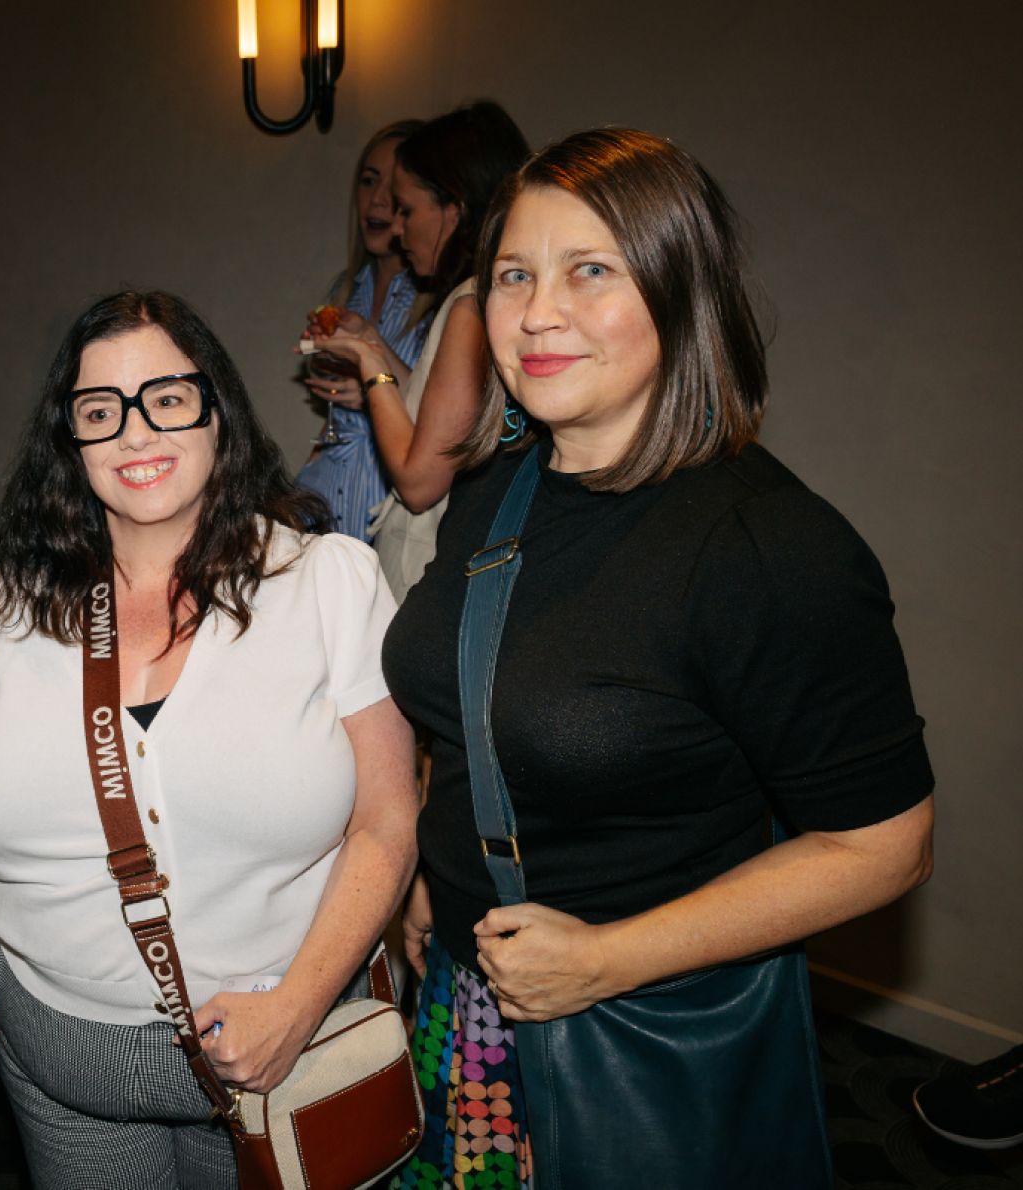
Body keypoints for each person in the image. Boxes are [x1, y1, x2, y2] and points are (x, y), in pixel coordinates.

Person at [381, 128, 936, 1188]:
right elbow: (473, 701)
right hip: (471, 999)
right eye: (513, 275)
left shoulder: (770, 547)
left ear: (683, 292)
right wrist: (434, 867)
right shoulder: (498, 488)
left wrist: (604, 958)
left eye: (591, 270)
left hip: (639, 1017)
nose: (539, 311)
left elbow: (885, 845)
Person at [0, 291, 418, 1187]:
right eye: (99, 411)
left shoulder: (325, 585)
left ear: (216, 410)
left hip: (284, 1062)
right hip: (59, 1069)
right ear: (69, 443)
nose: (134, 432)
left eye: (167, 397)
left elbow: (387, 821)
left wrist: (300, 1006)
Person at [306, 101, 528, 599]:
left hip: (423, 570)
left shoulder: (469, 306)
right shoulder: (495, 295)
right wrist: (372, 343)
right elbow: (442, 419)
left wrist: (369, 367)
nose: (399, 228)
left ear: (455, 206)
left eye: (408, 209)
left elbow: (418, 480)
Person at [293, 119, 428, 539]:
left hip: (388, 502)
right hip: (325, 494)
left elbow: (446, 423)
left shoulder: (441, 296)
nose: (378, 201)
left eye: (395, 187)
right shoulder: (347, 288)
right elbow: (332, 402)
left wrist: (373, 388)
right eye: (369, 181)